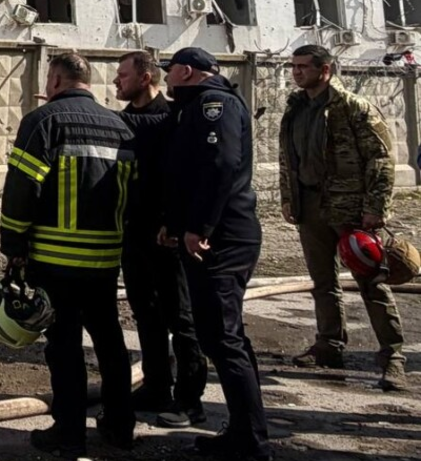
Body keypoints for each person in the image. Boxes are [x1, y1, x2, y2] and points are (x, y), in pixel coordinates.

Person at [0, 53, 136, 458]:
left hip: (54, 258)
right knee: (109, 341)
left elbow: (22, 187)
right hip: (105, 259)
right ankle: (120, 427)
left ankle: (69, 432)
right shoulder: (121, 126)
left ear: (55, 80)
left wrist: (13, 245)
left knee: (64, 346)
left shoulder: (43, 121)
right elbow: (136, 194)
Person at [158, 47, 270, 461]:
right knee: (221, 335)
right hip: (212, 234)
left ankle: (251, 440)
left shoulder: (213, 104)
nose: (166, 78)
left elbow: (220, 164)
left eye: (170, 71)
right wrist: (175, 223)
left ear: (187, 71)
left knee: (222, 337)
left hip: (222, 237)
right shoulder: (193, 106)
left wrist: (199, 227)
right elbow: (188, 173)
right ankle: (244, 430)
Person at [279, 45, 406, 391]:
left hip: (350, 208)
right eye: (294, 66)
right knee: (323, 282)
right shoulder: (295, 108)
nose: (297, 72)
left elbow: (381, 159)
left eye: (304, 66)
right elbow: (288, 158)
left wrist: (375, 207)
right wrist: (288, 198)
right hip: (310, 206)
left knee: (372, 283)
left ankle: (392, 358)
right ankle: (329, 345)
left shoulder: (352, 107)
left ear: (326, 70)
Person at [113, 51, 208, 428]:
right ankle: (156, 385)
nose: (116, 81)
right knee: (145, 313)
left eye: (123, 75)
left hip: (166, 235)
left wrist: (175, 222)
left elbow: (184, 176)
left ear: (145, 78)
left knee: (180, 317)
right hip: (132, 232)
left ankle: (190, 400)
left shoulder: (172, 118)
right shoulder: (124, 119)